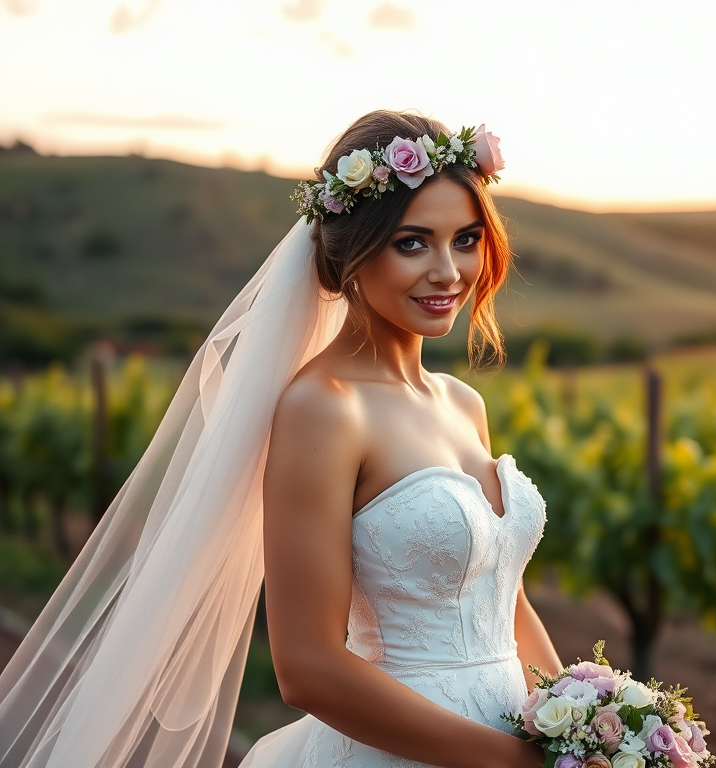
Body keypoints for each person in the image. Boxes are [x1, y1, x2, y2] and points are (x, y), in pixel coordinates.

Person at [0, 111, 559, 768]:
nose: (448, 271)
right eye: (413, 243)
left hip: (517, 738)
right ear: (352, 252)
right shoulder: (324, 408)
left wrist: (583, 717)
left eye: (466, 239)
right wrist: (509, 760)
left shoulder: (463, 404)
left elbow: (505, 599)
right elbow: (307, 668)